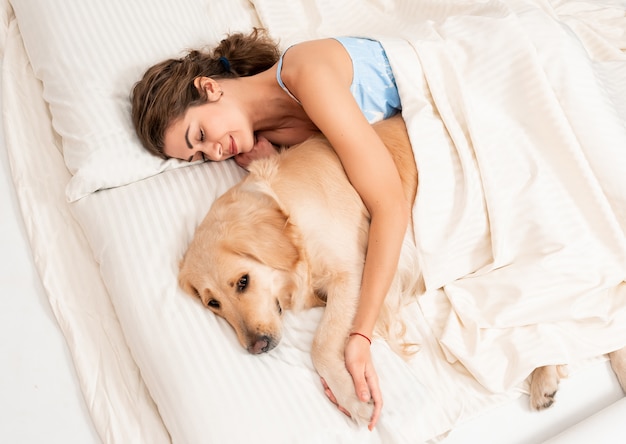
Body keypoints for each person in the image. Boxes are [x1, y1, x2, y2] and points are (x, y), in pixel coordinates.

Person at [131, 28, 410, 431]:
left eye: (201, 135)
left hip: (451, 88)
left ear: (209, 87)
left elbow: (390, 205)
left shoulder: (303, 73)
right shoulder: (279, 141)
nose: (213, 153)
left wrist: (359, 337)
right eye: (198, 155)